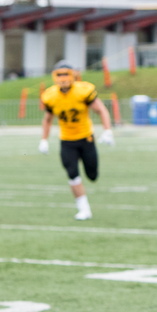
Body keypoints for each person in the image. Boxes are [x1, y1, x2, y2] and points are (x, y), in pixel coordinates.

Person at [38, 60, 114, 220]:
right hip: (66, 141)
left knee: (92, 175)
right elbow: (47, 119)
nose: (63, 78)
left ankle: (85, 205)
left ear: (74, 75)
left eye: (66, 74)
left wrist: (108, 131)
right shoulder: (50, 95)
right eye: (60, 74)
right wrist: (43, 139)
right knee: (72, 174)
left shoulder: (83, 90)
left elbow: (100, 109)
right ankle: (84, 209)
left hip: (86, 138)